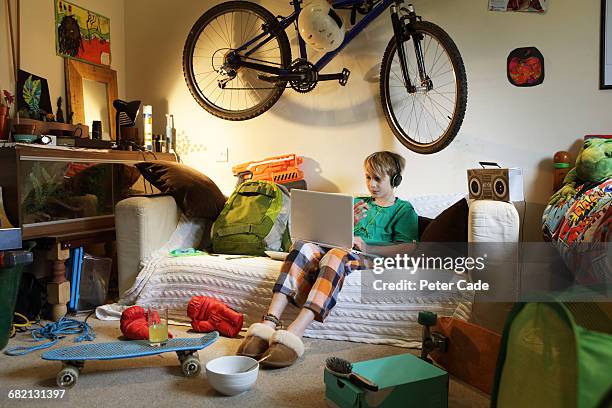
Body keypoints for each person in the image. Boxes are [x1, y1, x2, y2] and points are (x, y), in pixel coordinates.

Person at [236, 151, 418, 368]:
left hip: (368, 256)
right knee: (303, 247)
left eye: (378, 179)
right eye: (368, 177)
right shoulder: (358, 202)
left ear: (395, 180)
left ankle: (295, 332)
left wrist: (368, 245)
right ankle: (268, 323)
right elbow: (334, 230)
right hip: (337, 247)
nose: (372, 184)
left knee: (334, 256)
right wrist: (338, 228)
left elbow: (408, 247)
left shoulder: (403, 209)